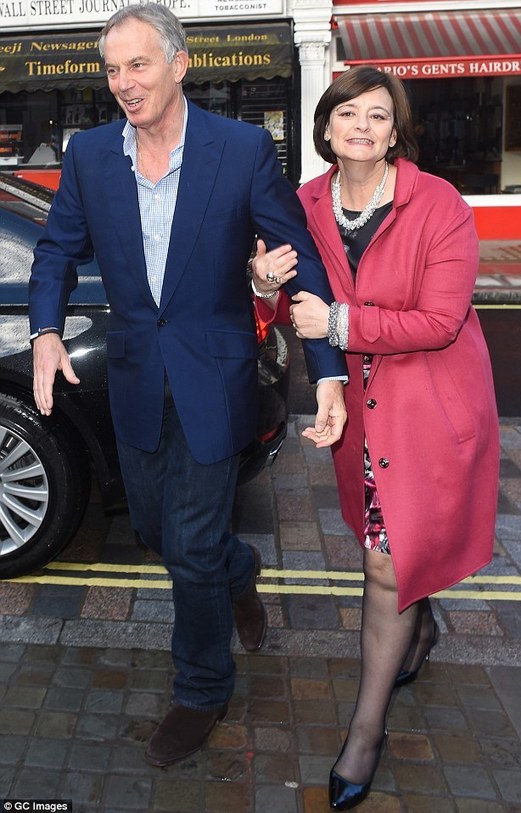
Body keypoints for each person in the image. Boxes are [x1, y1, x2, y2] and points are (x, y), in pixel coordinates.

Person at [28, 3, 348, 768]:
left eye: (138, 64)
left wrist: (328, 370)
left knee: (193, 545)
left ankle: (203, 687)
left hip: (215, 375)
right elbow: (55, 251)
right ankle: (242, 573)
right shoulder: (89, 154)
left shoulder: (240, 149)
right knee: (155, 530)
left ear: (178, 64)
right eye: (112, 69)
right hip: (135, 376)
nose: (124, 82)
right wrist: (44, 330)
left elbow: (300, 258)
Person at [252, 66, 499, 810]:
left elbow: (440, 321)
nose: (362, 126)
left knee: (386, 563)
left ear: (396, 132)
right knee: (392, 549)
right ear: (325, 126)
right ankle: (417, 633)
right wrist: (263, 282)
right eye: (348, 113)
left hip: (432, 411)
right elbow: (286, 303)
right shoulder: (304, 203)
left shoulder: (440, 204)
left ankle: (365, 730)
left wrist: (340, 323)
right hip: (360, 412)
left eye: (378, 115)